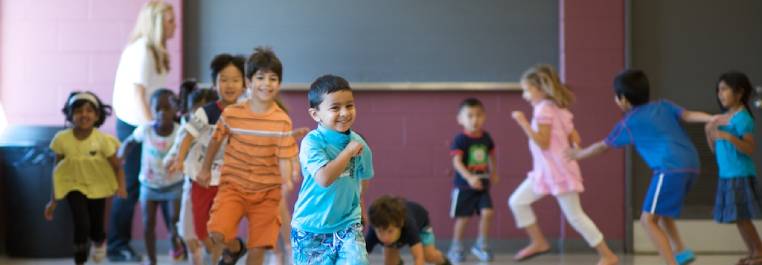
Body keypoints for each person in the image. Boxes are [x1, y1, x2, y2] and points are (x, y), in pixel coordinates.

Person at [568, 69, 717, 265]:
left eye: (615, 96)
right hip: (692, 165)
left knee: (647, 220)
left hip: (669, 168)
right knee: (660, 213)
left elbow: (602, 147)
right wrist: (711, 118)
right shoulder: (663, 105)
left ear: (623, 99)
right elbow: (688, 115)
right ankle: (680, 250)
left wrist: (579, 154)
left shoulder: (628, 122)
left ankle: (671, 262)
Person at [508, 64, 618, 265]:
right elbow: (575, 135)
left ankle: (607, 255)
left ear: (539, 89)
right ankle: (539, 242)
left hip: (557, 171)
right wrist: (574, 147)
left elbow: (542, 141)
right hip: (547, 171)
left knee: (575, 216)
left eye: (527, 90)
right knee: (517, 201)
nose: (524, 95)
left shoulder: (543, 110)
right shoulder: (558, 108)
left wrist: (523, 123)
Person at [198, 47, 298, 265]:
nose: (266, 84)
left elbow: (283, 156)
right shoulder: (232, 113)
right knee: (217, 234)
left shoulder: (282, 120)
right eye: (260, 77)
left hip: (267, 194)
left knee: (258, 249)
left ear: (279, 83)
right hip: (233, 187)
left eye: (273, 78)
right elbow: (215, 140)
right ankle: (236, 248)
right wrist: (205, 169)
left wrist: (286, 179)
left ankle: (248, 250)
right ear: (249, 82)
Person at [108, 1, 176, 261]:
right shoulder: (142, 51)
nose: (174, 26)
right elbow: (138, 96)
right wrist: (154, 131)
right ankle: (116, 245)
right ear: (158, 23)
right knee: (131, 186)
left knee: (153, 183)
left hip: (142, 124)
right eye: (170, 21)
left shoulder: (155, 51)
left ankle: (174, 240)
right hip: (134, 126)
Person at [290, 74, 374, 265]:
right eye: (335, 108)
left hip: (347, 225)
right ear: (315, 114)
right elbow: (324, 178)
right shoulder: (312, 142)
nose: (344, 113)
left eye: (349, 105)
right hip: (310, 229)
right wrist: (348, 152)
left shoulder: (361, 145)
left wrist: (360, 205)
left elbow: (363, 178)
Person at [44, 91, 127, 265]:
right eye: (79, 111)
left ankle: (99, 241)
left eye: (89, 111)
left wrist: (121, 186)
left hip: (98, 186)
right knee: (81, 224)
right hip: (73, 185)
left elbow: (116, 165)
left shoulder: (103, 140)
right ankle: (80, 260)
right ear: (70, 115)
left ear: (97, 116)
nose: (84, 115)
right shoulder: (62, 140)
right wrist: (53, 201)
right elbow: (57, 170)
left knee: (96, 227)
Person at [118, 89, 183, 265]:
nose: (162, 112)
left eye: (167, 108)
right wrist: (122, 153)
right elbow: (131, 140)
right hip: (149, 185)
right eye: (158, 108)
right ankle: (152, 260)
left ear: (175, 110)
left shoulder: (180, 131)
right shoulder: (146, 130)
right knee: (148, 223)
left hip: (173, 184)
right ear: (152, 110)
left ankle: (173, 241)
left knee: (174, 221)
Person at [705, 71, 762, 265]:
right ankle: (754, 252)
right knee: (739, 218)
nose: (720, 94)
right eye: (718, 90)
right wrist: (709, 132)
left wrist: (729, 137)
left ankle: (759, 253)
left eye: (724, 89)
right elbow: (715, 149)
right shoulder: (724, 118)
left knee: (743, 218)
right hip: (727, 174)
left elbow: (749, 147)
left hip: (740, 173)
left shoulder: (743, 118)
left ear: (739, 93)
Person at [446, 98, 498, 262]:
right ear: (460, 119)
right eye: (470, 116)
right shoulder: (460, 139)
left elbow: (491, 156)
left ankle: (481, 245)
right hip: (464, 187)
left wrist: (494, 172)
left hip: (482, 185)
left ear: (484, 117)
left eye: (478, 115)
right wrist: (469, 177)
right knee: (463, 218)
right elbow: (457, 162)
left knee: (488, 212)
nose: (475, 119)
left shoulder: (486, 137)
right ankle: (456, 247)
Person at [366, 195, 451, 265]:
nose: (385, 238)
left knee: (428, 255)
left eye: (390, 231)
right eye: (380, 231)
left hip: (421, 226)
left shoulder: (410, 228)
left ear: (401, 224)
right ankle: (398, 262)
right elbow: (359, 257)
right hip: (397, 233)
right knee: (390, 262)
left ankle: (445, 262)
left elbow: (418, 259)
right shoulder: (374, 229)